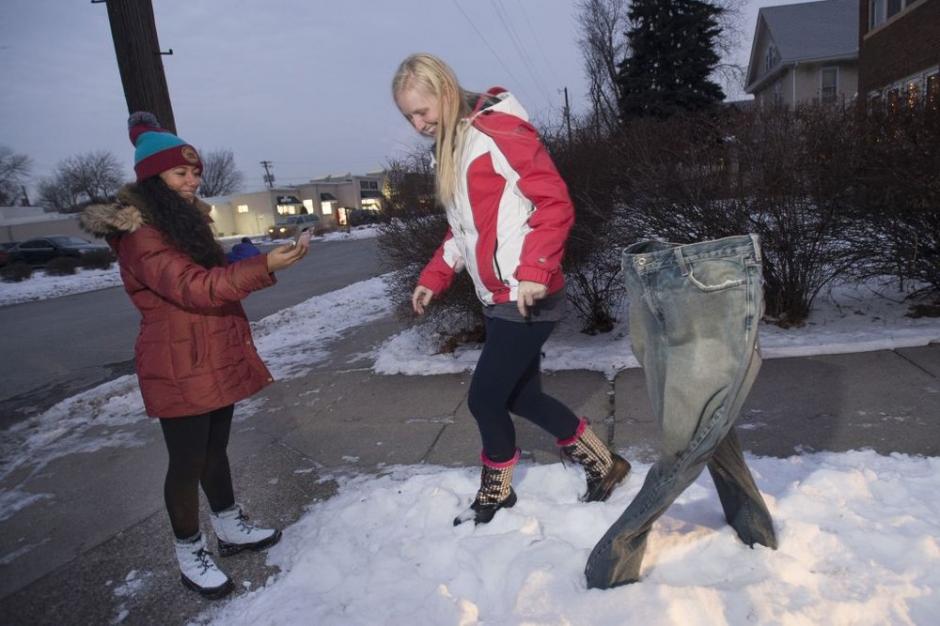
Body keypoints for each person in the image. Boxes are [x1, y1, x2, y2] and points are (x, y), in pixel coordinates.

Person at [392, 53, 631, 526]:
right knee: (521, 397)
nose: (417, 123)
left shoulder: (497, 132)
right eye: (409, 116)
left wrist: (535, 269)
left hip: (527, 293)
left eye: (422, 111)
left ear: (445, 91)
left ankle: (498, 489)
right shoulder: (450, 147)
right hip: (498, 296)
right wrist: (431, 279)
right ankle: (605, 464)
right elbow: (463, 231)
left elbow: (553, 202)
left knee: (484, 397)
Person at [80, 112, 309, 599]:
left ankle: (229, 528)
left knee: (214, 450)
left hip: (212, 349)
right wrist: (263, 267)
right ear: (154, 178)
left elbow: (214, 272)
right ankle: (190, 550)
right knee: (186, 462)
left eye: (195, 171)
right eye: (181, 173)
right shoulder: (142, 233)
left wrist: (252, 257)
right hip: (177, 360)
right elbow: (193, 287)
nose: (193, 180)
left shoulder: (184, 220)